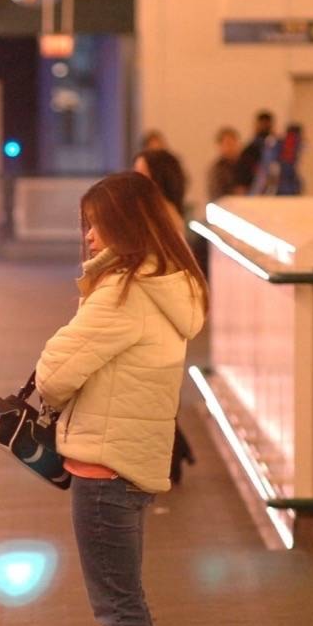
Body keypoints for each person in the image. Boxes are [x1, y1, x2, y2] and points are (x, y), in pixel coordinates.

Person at [37, 172, 207, 626]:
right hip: (130, 460)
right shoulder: (169, 285)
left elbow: (55, 373)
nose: (86, 235)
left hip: (104, 469)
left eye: (94, 222)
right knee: (127, 606)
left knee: (119, 610)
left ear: (123, 225)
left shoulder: (125, 291)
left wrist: (91, 296)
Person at [132, 149, 197, 483]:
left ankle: (172, 455)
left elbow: (159, 264)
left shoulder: (163, 214)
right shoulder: (158, 210)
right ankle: (176, 451)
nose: (136, 177)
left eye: (142, 172)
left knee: (154, 393)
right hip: (159, 312)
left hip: (160, 314)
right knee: (156, 392)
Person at [234, 110, 274, 194]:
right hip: (253, 191)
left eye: (266, 125)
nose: (264, 127)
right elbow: (243, 172)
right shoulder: (250, 150)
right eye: (262, 124)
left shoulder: (275, 148)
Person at [207, 126, 240, 201]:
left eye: (233, 143)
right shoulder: (217, 170)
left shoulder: (244, 166)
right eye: (228, 143)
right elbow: (216, 194)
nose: (232, 147)